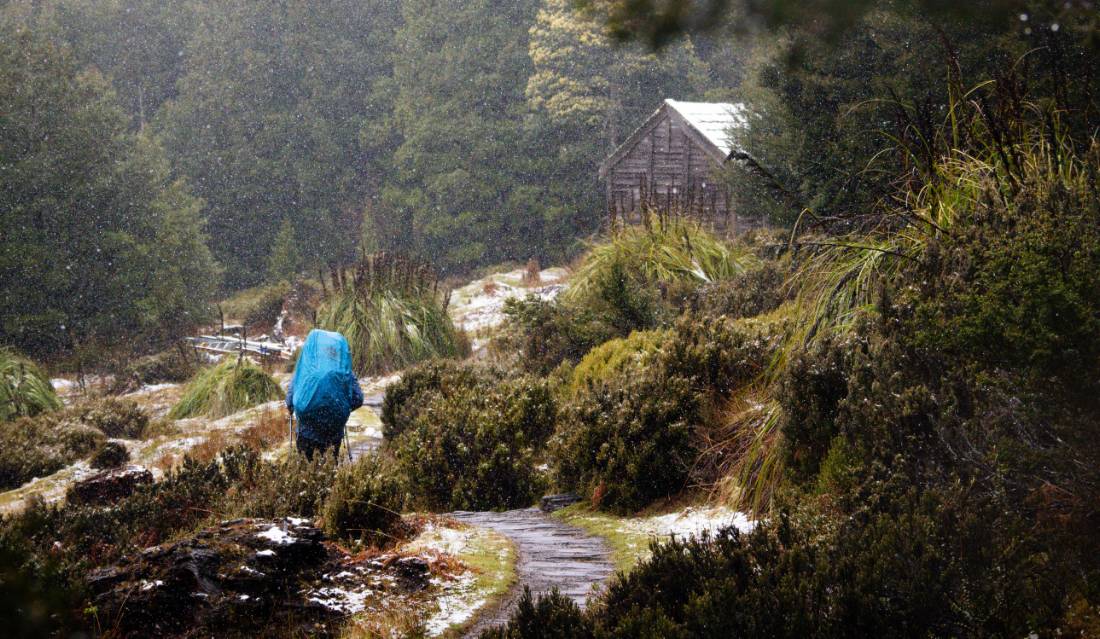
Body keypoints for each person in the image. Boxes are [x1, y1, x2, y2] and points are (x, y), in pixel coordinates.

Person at [286, 329, 363, 460]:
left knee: (306, 471)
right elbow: (358, 399)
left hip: (307, 434)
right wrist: (340, 408)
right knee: (330, 470)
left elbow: (290, 401)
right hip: (333, 434)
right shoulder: (344, 372)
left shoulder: (305, 370)